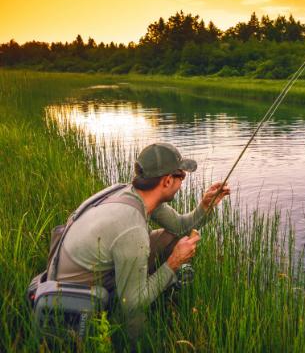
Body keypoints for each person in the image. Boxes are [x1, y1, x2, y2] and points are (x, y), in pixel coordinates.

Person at [48, 142, 230, 340]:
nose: (182, 183)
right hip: (77, 295)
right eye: (181, 177)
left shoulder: (132, 193)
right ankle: (132, 341)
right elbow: (132, 302)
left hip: (84, 270)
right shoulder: (132, 228)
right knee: (135, 311)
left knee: (171, 237)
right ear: (167, 181)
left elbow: (179, 227)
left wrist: (205, 206)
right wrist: (174, 262)